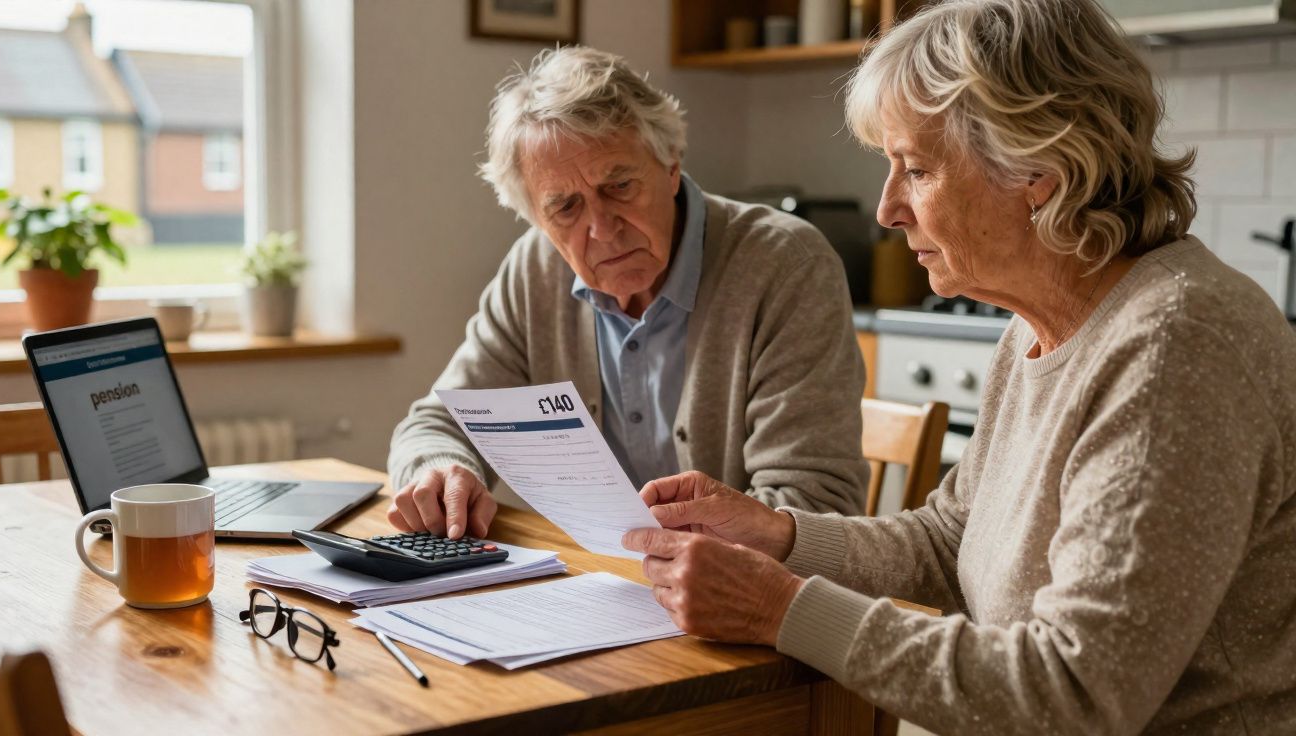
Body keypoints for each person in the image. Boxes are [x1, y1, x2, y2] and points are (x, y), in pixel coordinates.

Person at [622, 1, 1296, 733]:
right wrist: (780, 538)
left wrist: (779, 607)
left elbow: (1074, 692)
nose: (887, 209)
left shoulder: (1174, 345)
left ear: (1039, 167)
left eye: (915, 168)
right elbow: (948, 547)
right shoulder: (1039, 327)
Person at [386, 47, 868, 540]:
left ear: (671, 165)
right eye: (566, 207)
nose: (601, 228)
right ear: (537, 218)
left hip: (742, 600)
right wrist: (442, 470)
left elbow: (813, 505)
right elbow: (438, 424)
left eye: (618, 186)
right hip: (593, 587)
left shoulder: (786, 265)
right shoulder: (535, 268)